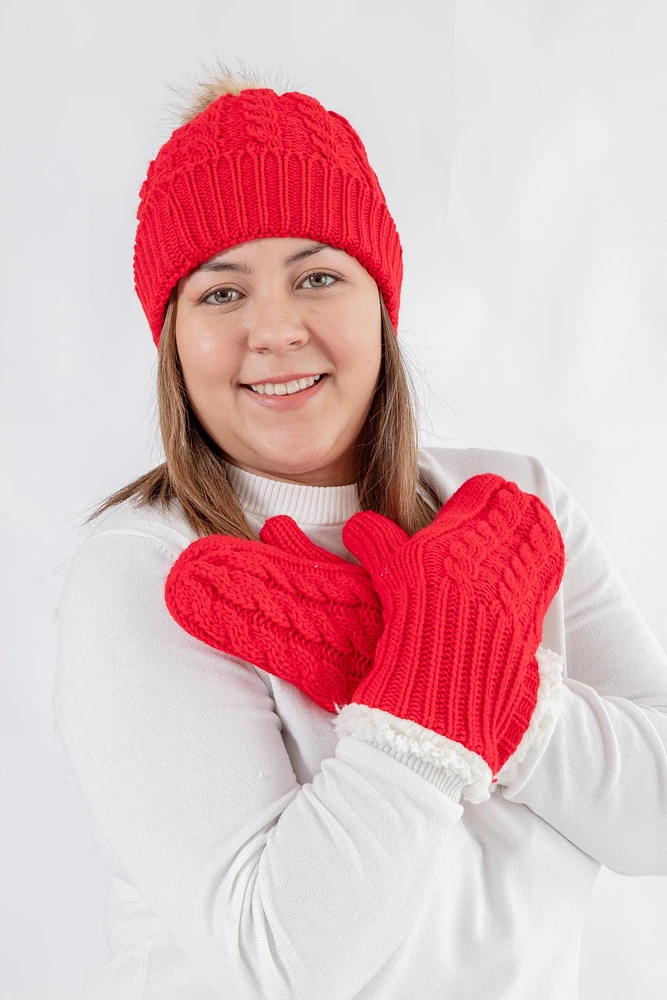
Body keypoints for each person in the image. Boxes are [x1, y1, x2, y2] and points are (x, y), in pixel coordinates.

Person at [53, 66, 667, 1000]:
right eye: (221, 294)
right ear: (171, 334)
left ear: (379, 304)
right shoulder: (146, 572)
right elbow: (285, 965)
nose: (275, 329)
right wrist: (420, 699)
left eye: (317, 276)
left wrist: (490, 689)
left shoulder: (511, 509)